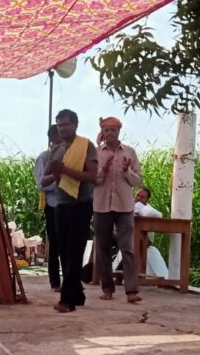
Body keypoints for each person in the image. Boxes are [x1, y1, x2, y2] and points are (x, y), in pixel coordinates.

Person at [43, 109, 98, 313]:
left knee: (74, 251)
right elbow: (45, 179)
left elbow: (93, 176)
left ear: (75, 125)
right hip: (61, 205)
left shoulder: (86, 146)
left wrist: (65, 170)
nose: (63, 128)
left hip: (81, 204)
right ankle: (77, 294)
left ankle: (67, 301)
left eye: (66, 124)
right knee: (64, 253)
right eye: (59, 125)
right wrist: (55, 174)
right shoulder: (56, 150)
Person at [93, 117, 143, 303]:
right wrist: (103, 170)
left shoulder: (129, 152)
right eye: (107, 130)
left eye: (113, 130)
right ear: (103, 132)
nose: (110, 133)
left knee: (127, 248)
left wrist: (126, 171)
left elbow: (138, 181)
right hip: (101, 206)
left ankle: (131, 291)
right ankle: (107, 288)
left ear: (119, 131)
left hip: (124, 207)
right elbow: (91, 180)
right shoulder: (96, 153)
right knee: (103, 248)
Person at [35, 124, 63, 292]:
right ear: (52, 139)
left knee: (70, 244)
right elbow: (40, 184)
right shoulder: (44, 158)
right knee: (55, 244)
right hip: (53, 205)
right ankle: (55, 282)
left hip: (70, 204)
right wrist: (58, 181)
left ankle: (71, 280)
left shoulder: (71, 156)